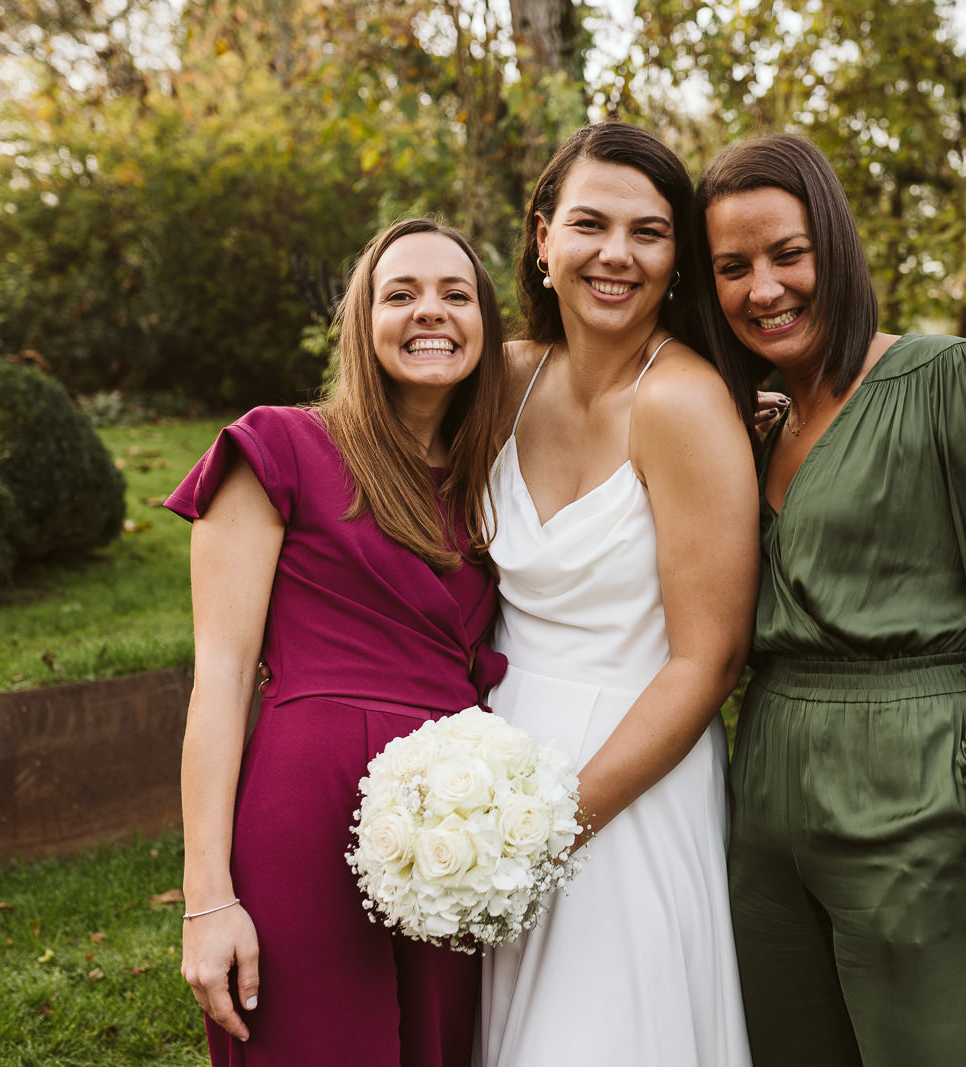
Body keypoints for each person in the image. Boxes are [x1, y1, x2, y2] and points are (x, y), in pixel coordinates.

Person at [693, 133, 966, 1067]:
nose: (765, 288)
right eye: (733, 267)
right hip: (766, 791)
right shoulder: (749, 426)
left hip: (917, 777)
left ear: (833, 247)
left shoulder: (946, 379)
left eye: (788, 254)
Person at [165, 217, 508, 1067]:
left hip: (455, 829)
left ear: (486, 325)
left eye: (455, 294)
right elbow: (218, 682)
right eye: (402, 294)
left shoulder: (498, 479)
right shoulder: (278, 445)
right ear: (362, 322)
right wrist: (206, 898)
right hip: (304, 811)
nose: (431, 312)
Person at [476, 122, 758, 1067]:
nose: (616, 254)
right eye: (591, 224)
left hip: (630, 779)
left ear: (676, 259)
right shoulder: (505, 380)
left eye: (649, 232)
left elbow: (708, 658)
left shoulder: (683, 402)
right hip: (494, 767)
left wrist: (554, 826)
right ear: (543, 235)